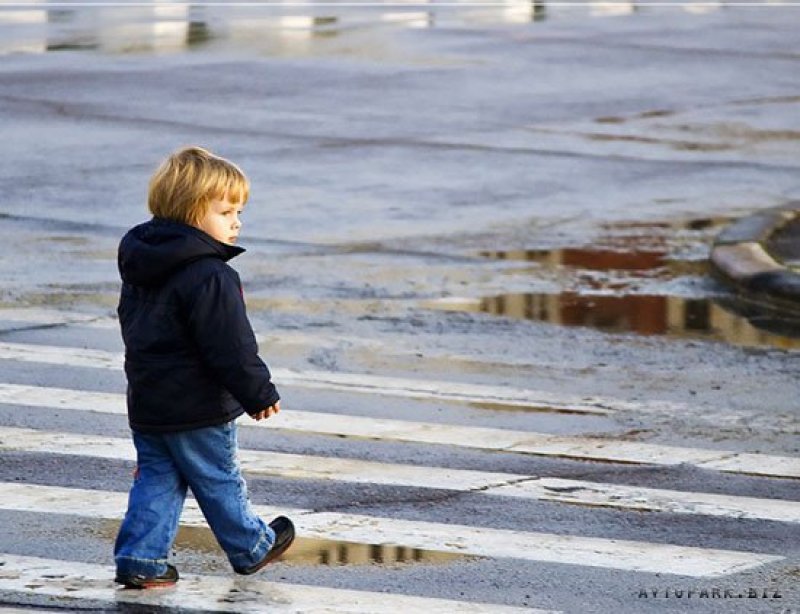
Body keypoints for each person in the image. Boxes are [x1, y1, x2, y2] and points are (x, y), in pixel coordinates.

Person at [113, 146, 294, 589]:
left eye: (239, 211)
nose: (237, 222)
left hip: (150, 399)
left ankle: (140, 558)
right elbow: (229, 345)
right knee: (218, 477)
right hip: (199, 405)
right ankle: (251, 546)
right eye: (226, 211)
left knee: (158, 477)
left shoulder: (142, 262)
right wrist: (259, 392)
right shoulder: (211, 275)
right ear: (192, 213)